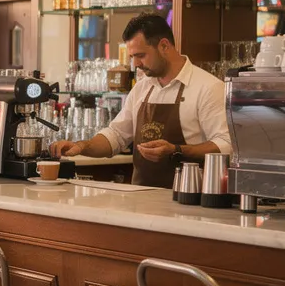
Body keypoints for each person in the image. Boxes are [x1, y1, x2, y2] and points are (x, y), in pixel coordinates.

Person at [49, 15, 231, 187]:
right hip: (140, 199)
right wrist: (81, 146)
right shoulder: (143, 87)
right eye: (132, 57)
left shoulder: (207, 87)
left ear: (164, 46)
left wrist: (177, 150)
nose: (135, 64)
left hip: (188, 198)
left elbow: (226, 144)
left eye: (141, 55)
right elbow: (116, 136)